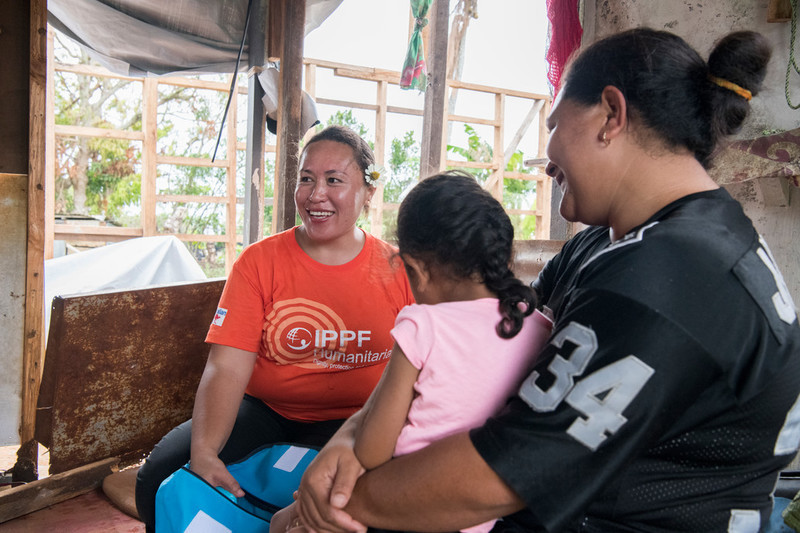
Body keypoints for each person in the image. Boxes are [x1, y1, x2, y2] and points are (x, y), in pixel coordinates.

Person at [273, 29, 800, 533]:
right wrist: (346, 443)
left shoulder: (674, 273)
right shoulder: (610, 245)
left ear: (610, 115)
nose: (548, 157)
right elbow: (489, 350)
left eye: (553, 122)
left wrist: (339, 504)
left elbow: (501, 476)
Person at [134, 125, 414, 532]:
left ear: (368, 191)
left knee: (374, 508)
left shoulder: (399, 269)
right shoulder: (258, 262)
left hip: (361, 420)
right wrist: (205, 452)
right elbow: (227, 367)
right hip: (269, 413)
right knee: (159, 478)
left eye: (334, 180)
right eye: (306, 179)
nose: (316, 194)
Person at [345, 172, 553, 533]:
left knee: (292, 519)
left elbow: (371, 452)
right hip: (481, 516)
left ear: (416, 269)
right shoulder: (539, 326)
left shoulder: (422, 325)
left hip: (404, 508)